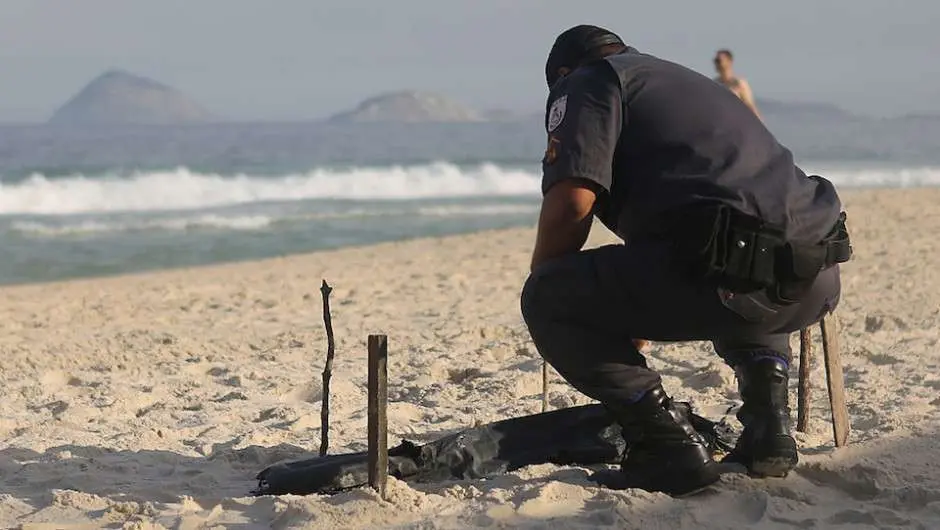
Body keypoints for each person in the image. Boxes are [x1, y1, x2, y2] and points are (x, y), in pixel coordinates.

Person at [521, 25, 851, 496]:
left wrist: (550, 291)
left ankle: (665, 445)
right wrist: (624, 310)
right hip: (815, 277)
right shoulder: (683, 82)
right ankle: (767, 425)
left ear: (563, 74)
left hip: (731, 274)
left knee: (548, 294)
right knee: (742, 245)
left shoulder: (590, 82)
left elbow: (572, 205)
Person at [713, 48, 761, 118]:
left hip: (737, 121)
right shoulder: (715, 83)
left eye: (719, 61)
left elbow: (750, 106)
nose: (716, 64)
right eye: (715, 61)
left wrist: (759, 125)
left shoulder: (739, 83)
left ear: (729, 61)